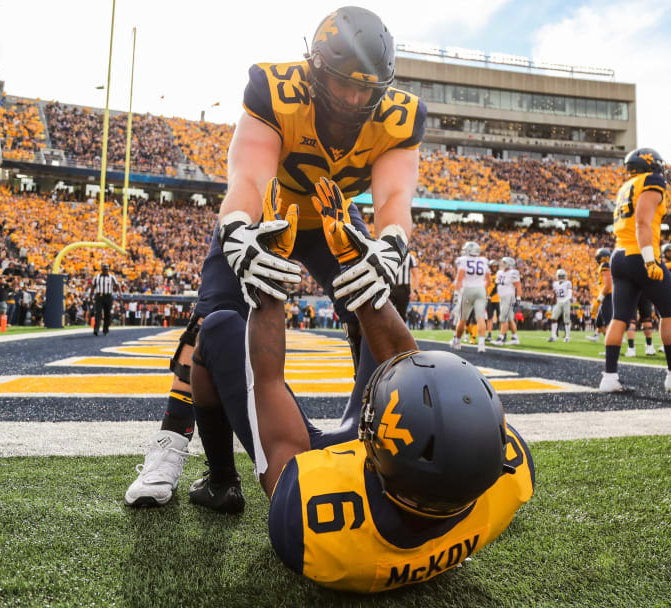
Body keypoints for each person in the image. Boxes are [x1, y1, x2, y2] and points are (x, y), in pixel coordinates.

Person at [126, 6, 426, 508]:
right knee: (210, 322)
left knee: (383, 291)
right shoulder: (274, 88)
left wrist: (392, 242)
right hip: (269, 217)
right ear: (313, 70)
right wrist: (240, 234)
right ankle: (182, 453)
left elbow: (395, 199)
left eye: (365, 88)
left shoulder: (400, 116)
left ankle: (380, 434)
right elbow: (246, 179)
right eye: (343, 83)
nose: (354, 98)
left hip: (331, 220)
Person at [186, 179, 534, 592]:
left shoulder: (311, 522)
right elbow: (409, 367)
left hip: (339, 482)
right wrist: (356, 265)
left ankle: (222, 482)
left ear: (376, 449)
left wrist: (270, 281)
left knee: (218, 329)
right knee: (401, 364)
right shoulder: (505, 482)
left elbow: (268, 381)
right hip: (395, 483)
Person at [598, 148, 671, 392]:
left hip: (619, 255)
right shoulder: (652, 181)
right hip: (641, 253)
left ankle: (609, 378)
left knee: (619, 317)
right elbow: (642, 221)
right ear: (650, 164)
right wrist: (649, 259)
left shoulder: (625, 187)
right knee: (669, 313)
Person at [450, 241, 489, 353]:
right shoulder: (483, 261)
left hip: (468, 290)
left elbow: (460, 278)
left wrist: (457, 294)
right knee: (480, 318)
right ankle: (481, 345)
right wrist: (482, 289)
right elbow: (488, 280)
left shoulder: (463, 260)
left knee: (462, 319)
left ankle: (457, 342)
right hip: (481, 289)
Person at [493, 256, 522, 345]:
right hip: (502, 298)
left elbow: (518, 286)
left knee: (503, 318)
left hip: (509, 297)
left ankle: (501, 338)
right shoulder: (499, 272)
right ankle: (515, 338)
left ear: (509, 264)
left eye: (504, 262)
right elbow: (497, 285)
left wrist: (518, 299)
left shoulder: (512, 272)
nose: (502, 264)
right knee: (510, 319)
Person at [86, 264, 121, 336]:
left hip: (108, 297)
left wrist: (120, 294)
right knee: (98, 313)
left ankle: (105, 329)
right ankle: (96, 329)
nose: (105, 271)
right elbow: (93, 287)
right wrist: (91, 297)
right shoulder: (97, 277)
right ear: (101, 270)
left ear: (108, 270)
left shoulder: (112, 277)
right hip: (99, 296)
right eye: (104, 269)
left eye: (106, 269)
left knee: (107, 314)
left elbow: (117, 285)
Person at [587, 248, 612, 343]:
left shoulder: (605, 265)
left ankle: (612, 344)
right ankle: (610, 341)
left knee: (608, 323)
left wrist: (599, 300)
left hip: (608, 295)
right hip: (608, 295)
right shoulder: (608, 264)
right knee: (599, 323)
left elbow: (608, 284)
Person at [548, 268, 572, 342]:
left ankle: (567, 337)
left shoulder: (568, 283)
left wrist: (565, 300)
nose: (561, 277)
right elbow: (554, 295)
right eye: (560, 276)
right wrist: (551, 304)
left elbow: (570, 294)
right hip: (558, 301)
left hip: (566, 301)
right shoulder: (555, 284)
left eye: (562, 276)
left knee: (566, 319)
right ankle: (554, 336)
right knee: (554, 318)